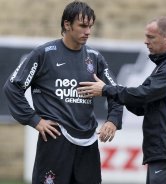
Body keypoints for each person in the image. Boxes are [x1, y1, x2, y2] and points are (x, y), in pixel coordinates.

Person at [3, 1, 123, 184]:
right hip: (55, 140)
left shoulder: (95, 58)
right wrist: (34, 120)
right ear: (67, 24)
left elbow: (116, 91)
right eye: (82, 26)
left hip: (88, 143)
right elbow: (12, 87)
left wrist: (113, 120)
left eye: (90, 26)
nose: (88, 32)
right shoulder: (44, 54)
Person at [77, 16, 166, 184]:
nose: (146, 42)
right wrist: (114, 97)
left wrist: (106, 89)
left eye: (151, 37)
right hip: (160, 152)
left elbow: (142, 94)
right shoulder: (163, 65)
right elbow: (140, 105)